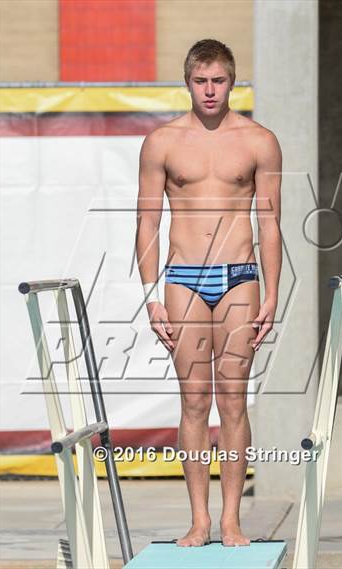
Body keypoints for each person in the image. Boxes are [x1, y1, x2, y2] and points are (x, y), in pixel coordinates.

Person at [135, 38, 282, 547]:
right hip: (184, 280)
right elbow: (148, 220)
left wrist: (271, 293)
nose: (210, 90)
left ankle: (231, 520)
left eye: (218, 80)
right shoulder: (162, 142)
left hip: (240, 277)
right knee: (195, 400)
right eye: (201, 81)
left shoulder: (259, 140)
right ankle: (199, 519)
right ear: (188, 82)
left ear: (232, 81)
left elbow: (270, 221)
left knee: (234, 401)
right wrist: (151, 295)